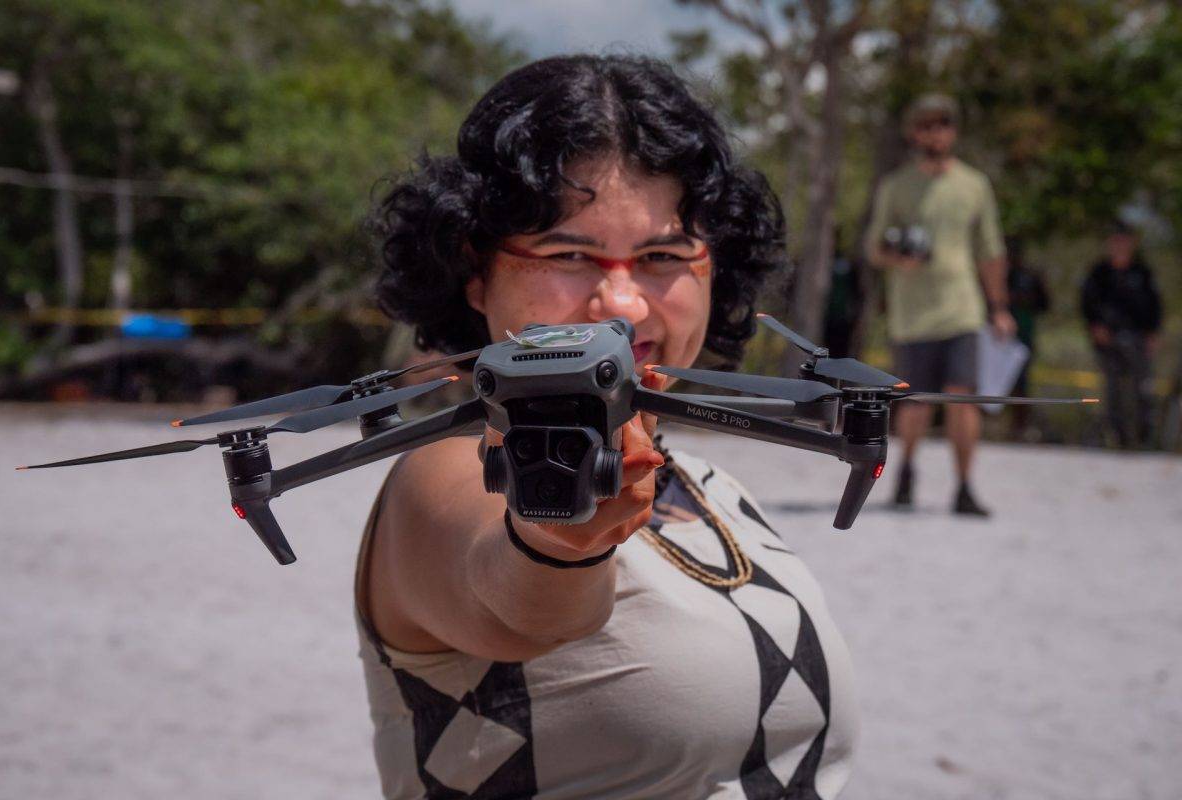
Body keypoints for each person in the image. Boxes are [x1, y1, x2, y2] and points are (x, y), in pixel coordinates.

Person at [357, 55, 858, 798]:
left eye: (662, 255)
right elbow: (519, 599)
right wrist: (558, 537)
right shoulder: (444, 475)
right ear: (474, 272)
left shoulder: (714, 487)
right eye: (569, 254)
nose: (622, 304)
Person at [864, 92, 1016, 517]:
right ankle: (905, 473)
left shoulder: (974, 185)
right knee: (915, 401)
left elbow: (990, 250)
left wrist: (999, 308)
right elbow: (874, 247)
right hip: (912, 315)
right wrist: (898, 256)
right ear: (914, 133)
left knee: (962, 397)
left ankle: (964, 486)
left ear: (954, 131)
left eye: (943, 124)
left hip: (962, 309)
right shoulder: (896, 185)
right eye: (926, 125)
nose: (935, 133)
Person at [1081, 220, 1163, 448]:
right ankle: (1118, 437)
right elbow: (1088, 304)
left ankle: (1144, 438)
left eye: (1124, 241)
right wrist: (1095, 327)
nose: (1119, 245)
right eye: (1115, 240)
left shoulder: (1142, 272)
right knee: (1113, 390)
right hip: (1109, 340)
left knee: (1143, 389)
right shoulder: (1099, 273)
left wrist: (1153, 333)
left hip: (1137, 338)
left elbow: (1156, 305)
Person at [1004, 235, 1050, 439]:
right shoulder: (995, 276)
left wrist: (1023, 299)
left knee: (1021, 384)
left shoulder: (1030, 277)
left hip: (1022, 339)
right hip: (996, 340)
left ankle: (1019, 427)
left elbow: (1044, 304)